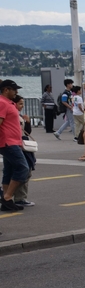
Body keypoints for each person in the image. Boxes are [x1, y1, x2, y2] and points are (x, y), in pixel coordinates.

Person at [0, 79, 29, 211]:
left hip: (12, 141)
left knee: (9, 170)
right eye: (14, 89)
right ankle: (7, 197)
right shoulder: (2, 103)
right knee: (23, 168)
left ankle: (7, 201)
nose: (16, 92)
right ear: (6, 90)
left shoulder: (8, 103)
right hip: (7, 142)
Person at [12, 94, 35, 208]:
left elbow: (27, 132)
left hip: (23, 144)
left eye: (23, 104)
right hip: (18, 145)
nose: (22, 106)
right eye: (20, 103)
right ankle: (19, 197)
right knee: (24, 170)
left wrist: (28, 122)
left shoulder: (19, 115)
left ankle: (17, 196)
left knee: (24, 170)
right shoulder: (13, 115)